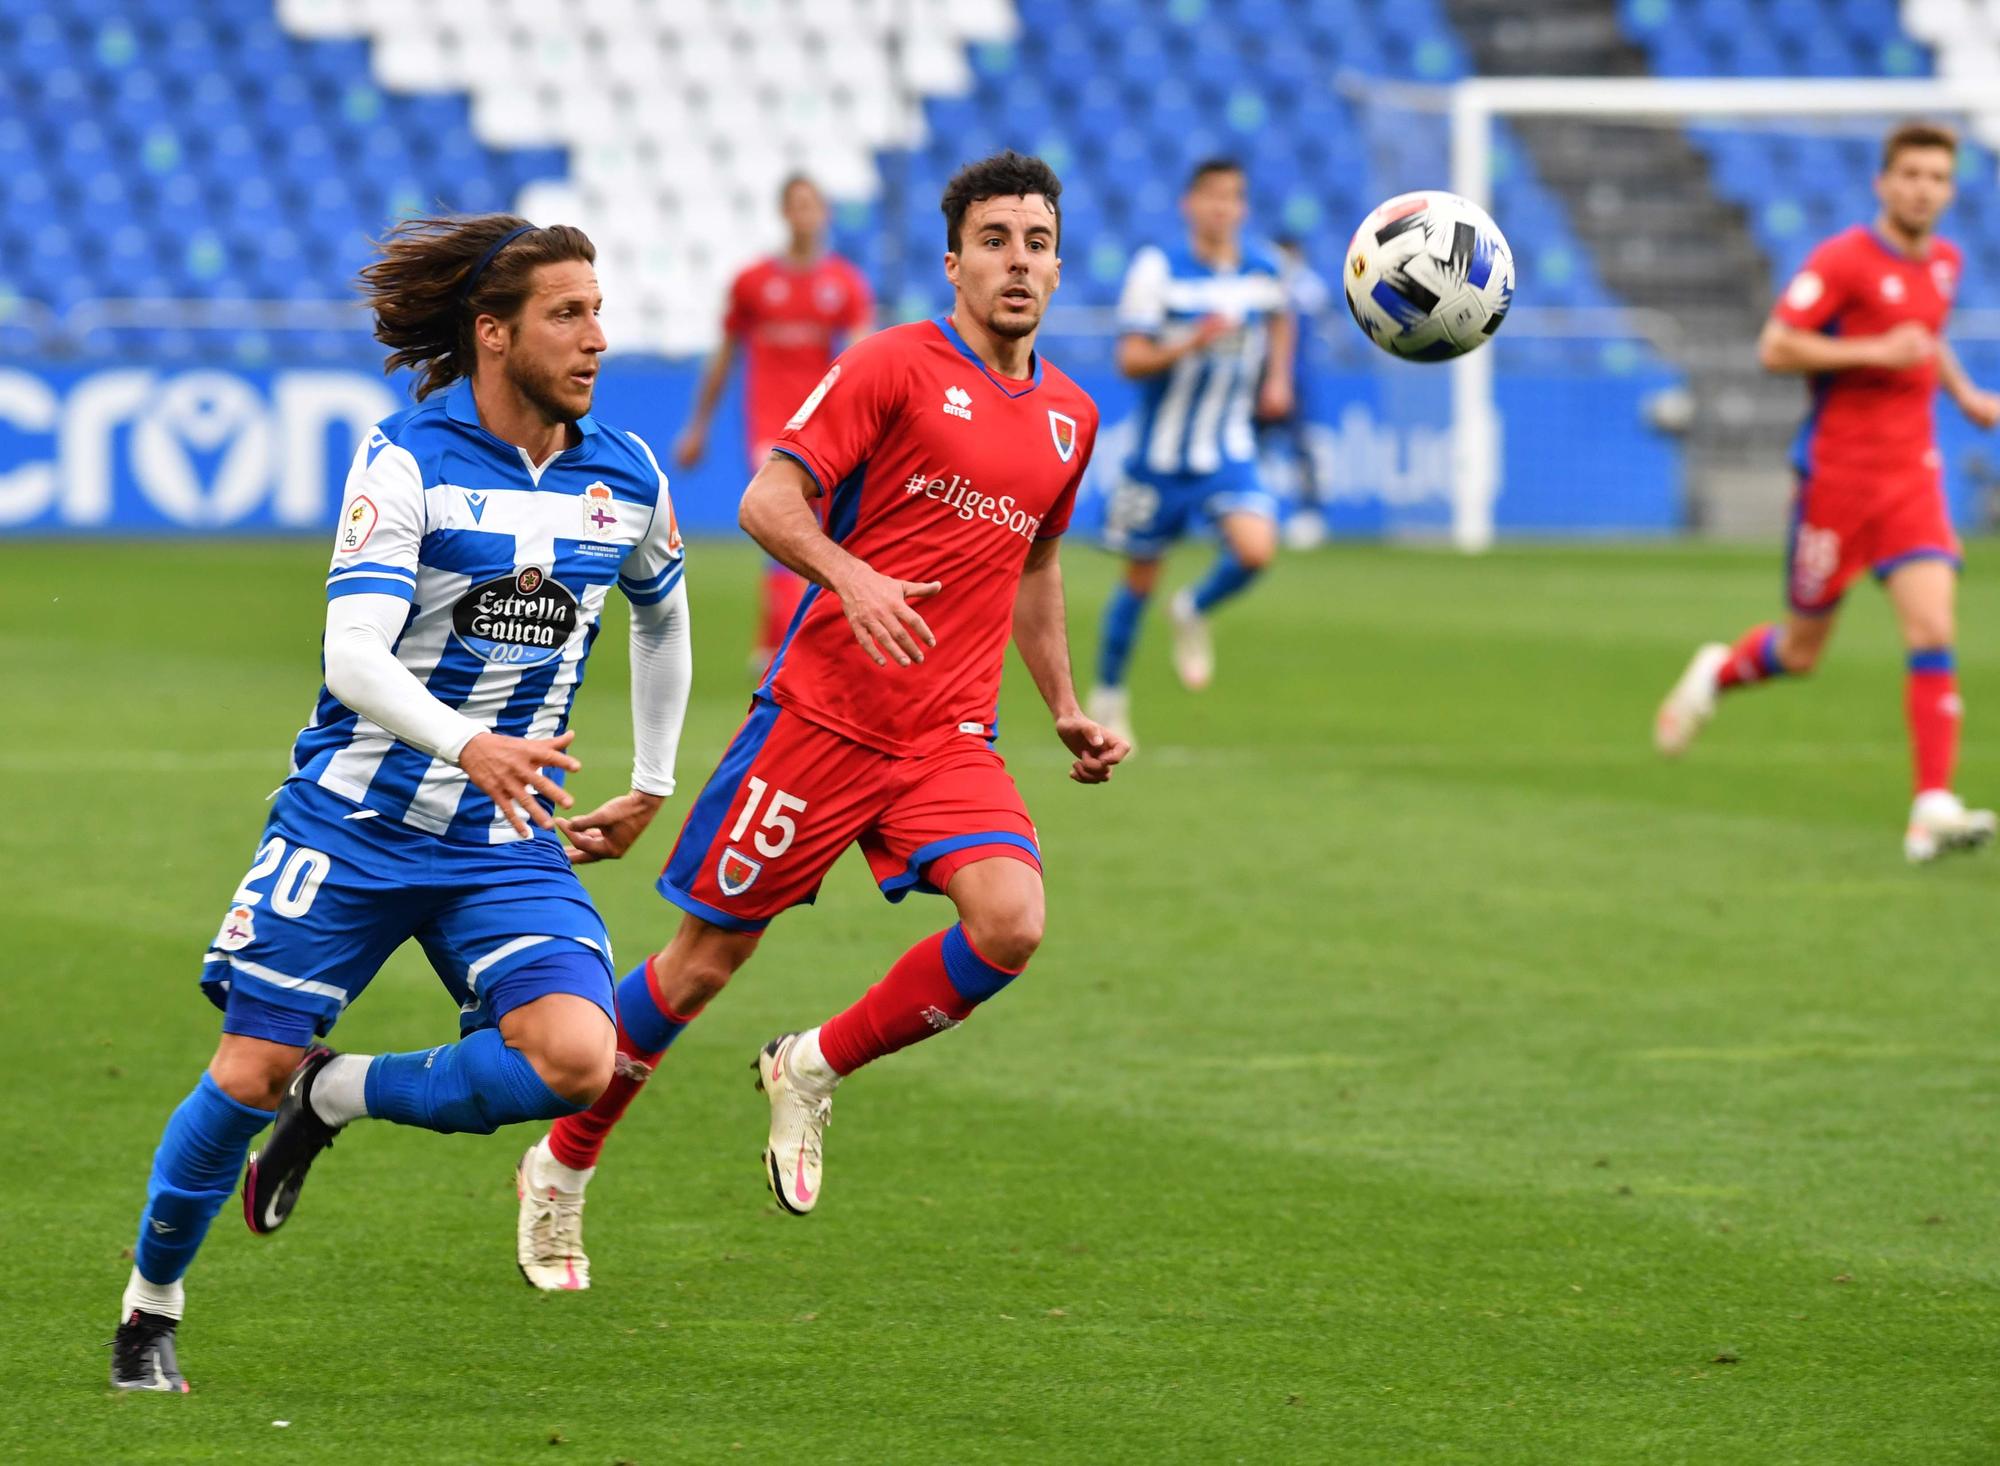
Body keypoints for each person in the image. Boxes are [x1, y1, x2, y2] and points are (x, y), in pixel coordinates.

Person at [511, 150, 1127, 1291]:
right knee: (700, 966)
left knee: (1011, 923)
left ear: (1056, 261)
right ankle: (561, 1163)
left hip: (946, 736)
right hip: (822, 718)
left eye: (1035, 242)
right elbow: (765, 499)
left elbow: (1034, 564)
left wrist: (1064, 707)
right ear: (953, 262)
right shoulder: (891, 364)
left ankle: (810, 1064)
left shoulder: (1068, 417)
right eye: (993, 240)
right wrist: (851, 576)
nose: (1017, 262)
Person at [109, 215, 693, 1389]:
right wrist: (471, 739)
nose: (595, 338)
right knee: (244, 1074)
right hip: (354, 819)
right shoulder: (406, 457)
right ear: (493, 333)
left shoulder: (624, 474)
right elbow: (353, 656)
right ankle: (150, 1305)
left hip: (501, 835)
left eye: (598, 311)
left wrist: (649, 781)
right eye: (565, 315)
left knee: (580, 1057)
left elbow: (662, 612)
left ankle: (341, 1089)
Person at [1655, 121, 2000, 862]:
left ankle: (1930, 806)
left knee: (1933, 629)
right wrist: (1871, 349)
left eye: (1937, 177)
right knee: (1803, 650)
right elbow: (1776, 345)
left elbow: (1926, 335)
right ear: (1883, 183)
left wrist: (1966, 394)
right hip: (1837, 482)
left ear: (1949, 189)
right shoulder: (1842, 260)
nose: (1923, 188)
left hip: (1913, 476)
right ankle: (1719, 670)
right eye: (1910, 174)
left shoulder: (1944, 262)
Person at [1087, 158, 1296, 748]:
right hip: (1158, 456)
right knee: (1137, 580)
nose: (1222, 208)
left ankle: (1194, 607)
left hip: (1227, 446)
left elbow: (1282, 320)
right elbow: (1129, 360)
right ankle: (1108, 697)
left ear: (1242, 207)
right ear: (1190, 204)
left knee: (1256, 549)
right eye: (1211, 197)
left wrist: (1277, 378)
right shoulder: (1158, 270)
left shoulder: (1263, 268)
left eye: (1233, 197)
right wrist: (1189, 340)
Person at [673, 173, 873, 671]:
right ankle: (788, 647)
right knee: (788, 518)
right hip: (771, 427)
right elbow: (724, 355)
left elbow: (862, 357)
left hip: (824, 424)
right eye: (796, 205)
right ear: (784, 213)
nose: (804, 215)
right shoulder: (753, 283)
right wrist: (698, 425)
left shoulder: (844, 283)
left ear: (824, 213)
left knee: (822, 532)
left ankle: (782, 641)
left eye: (813, 205)